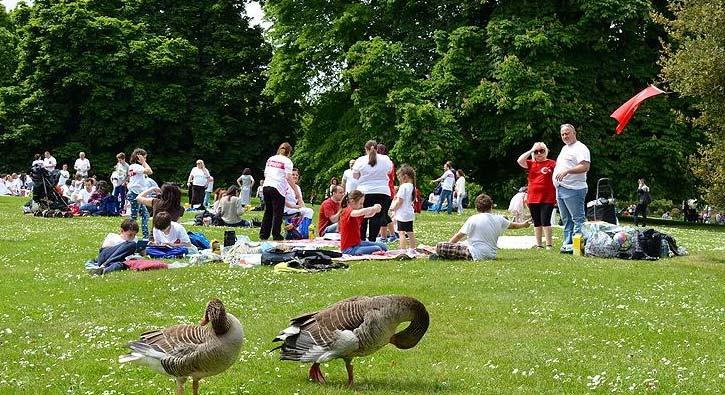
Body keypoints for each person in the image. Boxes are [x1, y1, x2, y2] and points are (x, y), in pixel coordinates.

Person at [434, 194, 531, 260]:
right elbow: (512, 225)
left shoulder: (473, 219)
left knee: (440, 246)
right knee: (460, 245)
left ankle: (439, 254)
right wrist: (523, 225)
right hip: (491, 255)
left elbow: (459, 236)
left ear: (476, 208)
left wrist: (449, 244)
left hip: (475, 253)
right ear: (491, 207)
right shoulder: (499, 219)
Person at [552, 124, 590, 253]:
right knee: (566, 219)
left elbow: (585, 166)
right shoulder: (565, 148)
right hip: (561, 188)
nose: (565, 136)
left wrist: (567, 171)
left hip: (574, 189)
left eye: (567, 133)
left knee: (577, 219)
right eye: (562, 134)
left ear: (574, 133)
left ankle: (578, 245)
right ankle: (567, 244)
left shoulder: (580, 148)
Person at [517, 142, 557, 249]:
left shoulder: (552, 163)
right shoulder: (531, 163)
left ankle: (549, 244)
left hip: (548, 196)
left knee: (545, 220)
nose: (539, 153)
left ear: (546, 152)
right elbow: (519, 161)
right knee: (536, 221)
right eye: (536, 152)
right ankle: (539, 244)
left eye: (541, 151)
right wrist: (531, 150)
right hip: (533, 197)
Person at [353, 140, 394, 241]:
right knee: (377, 217)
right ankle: (372, 240)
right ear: (377, 148)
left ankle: (362, 239)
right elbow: (389, 171)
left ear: (366, 149)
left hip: (364, 191)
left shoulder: (360, 160)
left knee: (363, 216)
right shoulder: (385, 159)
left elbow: (355, 176)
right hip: (382, 191)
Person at [260, 142, 300, 241]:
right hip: (277, 187)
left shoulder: (271, 158)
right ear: (289, 152)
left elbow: (266, 173)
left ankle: (264, 234)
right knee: (278, 213)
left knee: (268, 211)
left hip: (266, 185)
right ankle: (276, 234)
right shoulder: (287, 161)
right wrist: (296, 192)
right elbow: (288, 177)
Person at [339, 190, 388, 255]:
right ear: (352, 201)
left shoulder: (356, 213)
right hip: (349, 249)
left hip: (357, 243)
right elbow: (361, 212)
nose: (362, 206)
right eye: (360, 203)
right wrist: (373, 208)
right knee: (377, 248)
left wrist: (376, 209)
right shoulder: (347, 211)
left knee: (383, 246)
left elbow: (370, 214)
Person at [388, 165, 417, 253]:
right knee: (410, 232)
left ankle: (403, 250)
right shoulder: (412, 186)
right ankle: (412, 249)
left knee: (401, 232)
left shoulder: (403, 187)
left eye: (399, 177)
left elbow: (400, 201)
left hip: (402, 213)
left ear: (405, 176)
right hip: (409, 212)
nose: (399, 179)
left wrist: (393, 208)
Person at [127, 148, 153, 240]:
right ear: (139, 158)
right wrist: (143, 162)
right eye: (144, 157)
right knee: (134, 217)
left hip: (138, 194)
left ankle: (145, 237)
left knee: (145, 215)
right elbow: (150, 171)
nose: (145, 160)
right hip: (135, 194)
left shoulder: (133, 167)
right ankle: (129, 234)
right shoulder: (136, 166)